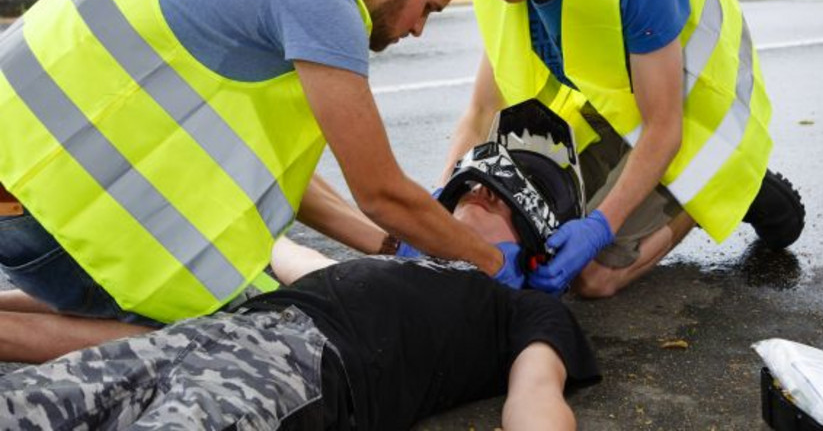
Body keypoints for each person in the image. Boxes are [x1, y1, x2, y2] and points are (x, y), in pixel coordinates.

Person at [0, 0, 524, 363]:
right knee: (232, 341)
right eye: (428, 8)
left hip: (24, 181)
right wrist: (494, 264)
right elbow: (382, 190)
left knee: (224, 297)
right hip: (36, 200)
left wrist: (390, 246)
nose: (418, 30)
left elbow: (275, 176)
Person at [0, 146, 600, 431]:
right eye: (469, 188)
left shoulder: (521, 308)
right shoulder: (389, 267)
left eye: (495, 199)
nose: (477, 195)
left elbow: (537, 397)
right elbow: (278, 247)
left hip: (298, 374)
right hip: (211, 335)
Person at [439, 0, 806, 298]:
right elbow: (481, 110)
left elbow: (664, 126)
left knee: (593, 277)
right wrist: (441, 203)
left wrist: (599, 227)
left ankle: (720, 185)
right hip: (610, 105)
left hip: (693, 114)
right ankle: (674, 185)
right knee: (520, 226)